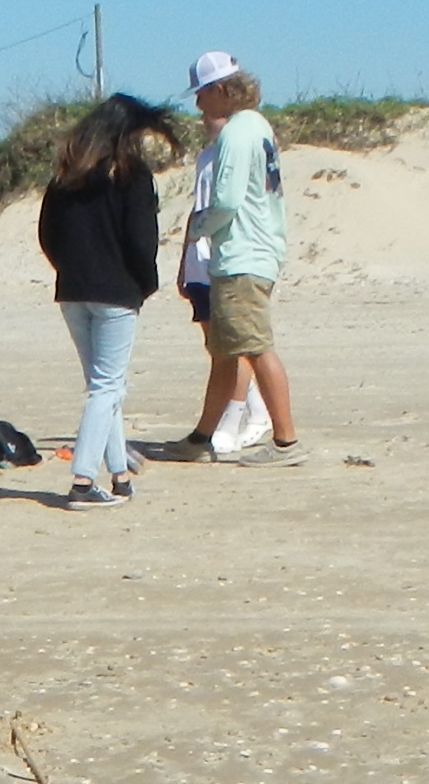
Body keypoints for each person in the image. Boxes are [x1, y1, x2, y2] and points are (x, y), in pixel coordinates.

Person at [146, 50, 301, 465]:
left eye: (201, 94)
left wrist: (196, 227)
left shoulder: (236, 132)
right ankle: (200, 437)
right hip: (257, 248)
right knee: (226, 351)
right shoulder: (259, 126)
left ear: (220, 90)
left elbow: (227, 201)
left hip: (241, 254)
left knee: (254, 347)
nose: (198, 104)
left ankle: (286, 441)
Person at [36, 93, 179, 509]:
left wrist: (69, 267)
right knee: (107, 385)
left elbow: (48, 235)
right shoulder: (131, 175)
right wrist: (145, 283)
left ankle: (119, 475)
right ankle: (82, 480)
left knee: (104, 385)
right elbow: (141, 240)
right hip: (115, 291)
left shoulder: (65, 175)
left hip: (74, 289)